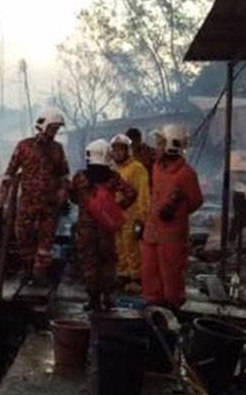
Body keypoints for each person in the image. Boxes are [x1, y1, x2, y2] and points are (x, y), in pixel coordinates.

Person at [1, 106, 70, 285]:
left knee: (46, 241)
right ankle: (27, 270)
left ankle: (40, 273)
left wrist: (63, 193)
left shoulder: (58, 149)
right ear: (44, 126)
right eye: (53, 128)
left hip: (49, 205)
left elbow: (64, 175)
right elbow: (10, 172)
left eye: (57, 129)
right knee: (23, 236)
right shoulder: (24, 146)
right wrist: (4, 199)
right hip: (27, 203)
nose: (55, 132)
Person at [141, 124, 203, 310]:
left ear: (170, 145)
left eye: (160, 144)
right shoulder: (157, 168)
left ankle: (172, 309)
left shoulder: (186, 174)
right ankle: (154, 308)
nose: (157, 148)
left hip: (172, 236)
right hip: (152, 232)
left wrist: (176, 214)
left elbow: (196, 201)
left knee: (172, 274)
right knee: (150, 271)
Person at [70, 139, 137, 311]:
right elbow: (131, 193)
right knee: (108, 262)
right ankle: (108, 298)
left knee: (89, 263)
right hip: (106, 228)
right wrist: (116, 208)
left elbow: (72, 197)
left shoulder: (80, 177)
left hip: (86, 230)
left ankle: (93, 300)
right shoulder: (113, 177)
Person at [110, 134, 149, 291]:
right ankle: (123, 274)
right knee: (119, 246)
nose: (117, 153)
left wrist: (141, 217)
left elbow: (143, 193)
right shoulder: (113, 169)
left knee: (132, 247)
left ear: (128, 150)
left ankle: (137, 277)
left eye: (121, 149)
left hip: (132, 216)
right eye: (115, 149)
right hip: (116, 215)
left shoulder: (137, 168)